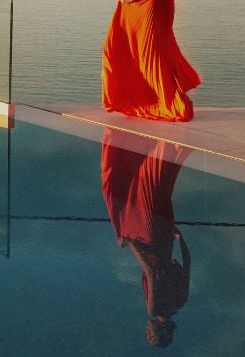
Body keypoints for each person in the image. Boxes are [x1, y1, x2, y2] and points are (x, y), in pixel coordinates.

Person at [101, 129, 192, 348]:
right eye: (151, 336)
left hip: (165, 237)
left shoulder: (181, 302)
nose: (147, 333)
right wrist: (129, 242)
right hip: (147, 237)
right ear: (160, 332)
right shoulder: (154, 309)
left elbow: (187, 263)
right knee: (143, 185)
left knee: (158, 186)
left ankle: (171, 141)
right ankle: (163, 139)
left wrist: (179, 238)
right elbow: (151, 273)